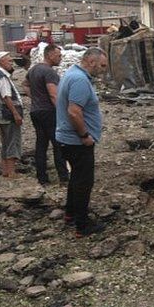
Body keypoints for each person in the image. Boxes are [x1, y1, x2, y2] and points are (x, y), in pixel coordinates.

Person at [56, 47, 109, 236]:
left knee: (76, 178)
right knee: (84, 182)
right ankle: (82, 225)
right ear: (91, 61)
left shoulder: (73, 73)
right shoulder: (79, 80)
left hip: (68, 138)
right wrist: (84, 135)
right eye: (102, 65)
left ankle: (71, 213)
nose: (103, 69)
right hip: (77, 141)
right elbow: (73, 111)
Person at [24, 43, 68, 185]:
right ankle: (63, 177)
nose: (60, 58)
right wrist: (63, 113)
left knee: (41, 145)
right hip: (49, 112)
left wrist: (35, 98)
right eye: (58, 55)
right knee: (58, 144)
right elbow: (53, 95)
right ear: (49, 55)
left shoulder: (33, 69)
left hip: (35, 111)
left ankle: (42, 177)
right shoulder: (49, 72)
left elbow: (25, 84)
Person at [0, 51, 24, 178]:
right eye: (9, 60)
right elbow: (6, 97)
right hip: (7, 114)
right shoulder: (2, 77)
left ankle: (5, 171)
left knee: (5, 142)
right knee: (12, 141)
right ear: (1, 61)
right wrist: (16, 114)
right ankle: (12, 172)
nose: (11, 63)